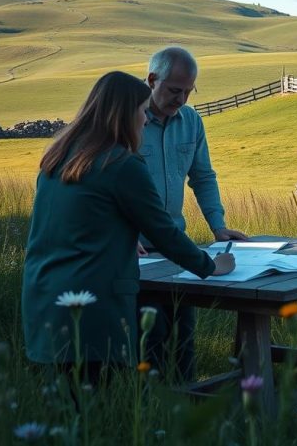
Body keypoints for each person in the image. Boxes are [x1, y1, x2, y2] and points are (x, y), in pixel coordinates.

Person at [21, 71, 235, 381]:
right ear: (122, 114)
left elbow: (73, 220)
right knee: (105, 406)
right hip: (93, 305)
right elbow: (165, 232)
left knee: (68, 411)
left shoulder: (59, 157)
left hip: (45, 297)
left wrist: (121, 232)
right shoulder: (121, 164)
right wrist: (212, 265)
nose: (146, 120)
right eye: (141, 111)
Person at [137, 46, 248, 381]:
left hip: (175, 244)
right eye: (174, 90)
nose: (182, 99)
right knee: (149, 331)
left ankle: (187, 405)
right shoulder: (129, 119)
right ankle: (149, 408)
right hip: (136, 249)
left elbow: (202, 176)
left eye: (189, 91)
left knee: (184, 332)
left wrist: (218, 225)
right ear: (152, 79)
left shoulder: (192, 121)